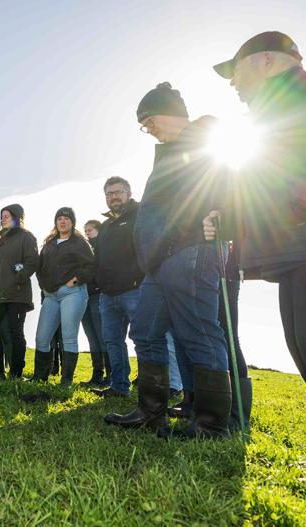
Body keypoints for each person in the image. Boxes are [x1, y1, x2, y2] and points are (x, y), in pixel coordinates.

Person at [105, 83, 231, 439]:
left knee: (199, 332)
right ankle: (150, 412)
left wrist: (223, 214)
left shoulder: (205, 139)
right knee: (144, 330)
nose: (148, 129)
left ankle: (210, 425)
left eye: (149, 120)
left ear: (169, 112)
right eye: (143, 124)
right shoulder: (167, 154)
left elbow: (231, 181)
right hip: (159, 260)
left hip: (192, 250)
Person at [205, 31, 306, 391]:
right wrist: (229, 219)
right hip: (291, 252)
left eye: (236, 70)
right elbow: (266, 183)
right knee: (302, 348)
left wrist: (296, 206)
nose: (232, 82)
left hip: (305, 241)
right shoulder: (266, 116)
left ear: (265, 60)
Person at [91, 178, 144, 397]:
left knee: (143, 339)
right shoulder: (105, 226)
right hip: (108, 294)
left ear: (129, 193)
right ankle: (119, 386)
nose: (114, 197)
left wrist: (139, 277)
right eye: (109, 193)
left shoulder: (141, 214)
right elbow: (99, 258)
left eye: (118, 192)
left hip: (135, 290)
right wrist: (100, 281)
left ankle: (150, 388)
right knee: (112, 341)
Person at [33, 207, 95, 384]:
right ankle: (40, 377)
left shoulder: (79, 243)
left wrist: (75, 280)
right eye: (59, 218)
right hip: (50, 296)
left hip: (72, 294)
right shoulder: (49, 243)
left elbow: (91, 266)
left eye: (66, 218)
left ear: (72, 222)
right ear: (55, 222)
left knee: (69, 336)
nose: (62, 221)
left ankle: (66, 381)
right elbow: (40, 268)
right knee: (42, 337)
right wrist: (43, 286)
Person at [0, 204, 39, 380]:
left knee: (16, 333)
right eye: (2, 216)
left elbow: (32, 262)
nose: (3, 219)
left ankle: (16, 373)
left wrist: (17, 276)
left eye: (7, 216)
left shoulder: (27, 237)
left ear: (17, 217)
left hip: (17, 295)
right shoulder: (1, 240)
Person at [80, 219, 111, 387]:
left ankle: (111, 374)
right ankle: (97, 374)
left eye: (90, 230)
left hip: (98, 296)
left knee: (102, 335)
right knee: (91, 337)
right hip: (84, 296)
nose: (87, 233)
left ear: (99, 230)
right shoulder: (84, 248)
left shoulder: (103, 247)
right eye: (85, 230)